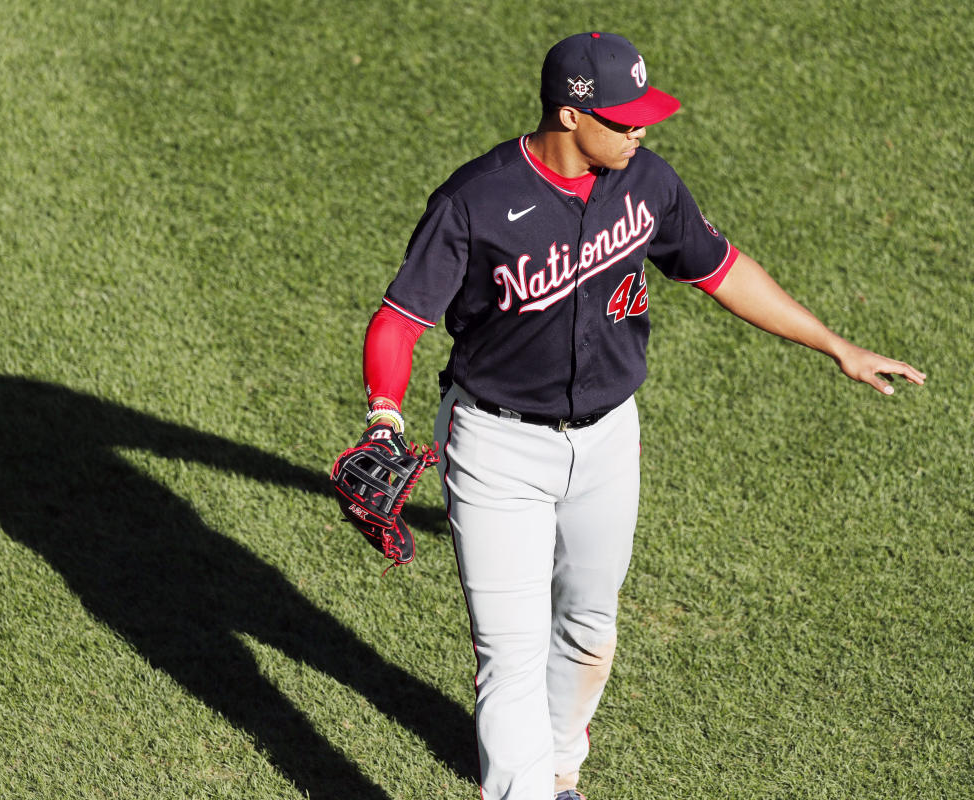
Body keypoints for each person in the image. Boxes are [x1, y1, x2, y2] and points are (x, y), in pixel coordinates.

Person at [354, 33, 926, 799]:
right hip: (495, 445)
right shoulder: (476, 200)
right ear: (567, 113)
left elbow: (719, 268)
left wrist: (834, 344)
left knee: (589, 633)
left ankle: (559, 777)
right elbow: (398, 321)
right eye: (623, 121)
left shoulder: (646, 182)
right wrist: (384, 417)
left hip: (608, 440)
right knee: (511, 653)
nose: (640, 132)